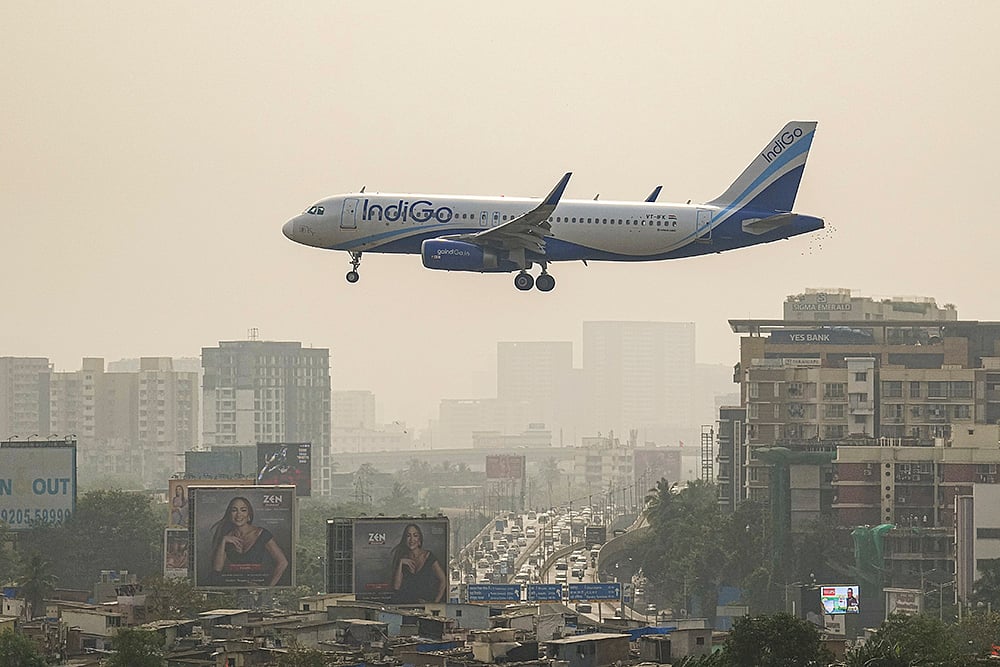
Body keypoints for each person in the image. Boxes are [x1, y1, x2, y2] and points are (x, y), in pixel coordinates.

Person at [211, 496, 288, 587]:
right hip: (234, 589)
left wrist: (267, 588)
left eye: (243, 510)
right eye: (234, 510)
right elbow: (217, 568)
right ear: (229, 514)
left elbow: (283, 562)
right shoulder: (227, 537)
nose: (239, 515)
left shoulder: (262, 534)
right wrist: (223, 541)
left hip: (257, 588)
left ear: (249, 515)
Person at [390, 523, 447, 603]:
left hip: (424, 607)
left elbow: (443, 580)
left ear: (419, 540)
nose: (412, 539)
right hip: (404, 606)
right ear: (404, 539)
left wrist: (435, 603)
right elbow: (396, 587)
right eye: (408, 536)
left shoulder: (428, 556)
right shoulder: (402, 558)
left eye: (415, 535)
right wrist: (400, 563)